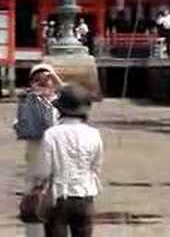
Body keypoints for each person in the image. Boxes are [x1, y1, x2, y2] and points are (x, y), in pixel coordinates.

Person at [39, 84, 103, 237]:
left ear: (60, 109)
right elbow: (96, 166)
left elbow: (45, 170)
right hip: (85, 196)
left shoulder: (51, 134)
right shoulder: (94, 134)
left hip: (58, 196)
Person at [13, 63, 63, 237]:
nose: (43, 83)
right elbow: (23, 129)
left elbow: (75, 95)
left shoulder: (60, 101)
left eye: (46, 79)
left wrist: (55, 81)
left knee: (56, 198)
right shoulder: (29, 101)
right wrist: (38, 100)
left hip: (54, 155)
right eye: (38, 79)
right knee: (36, 197)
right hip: (37, 151)